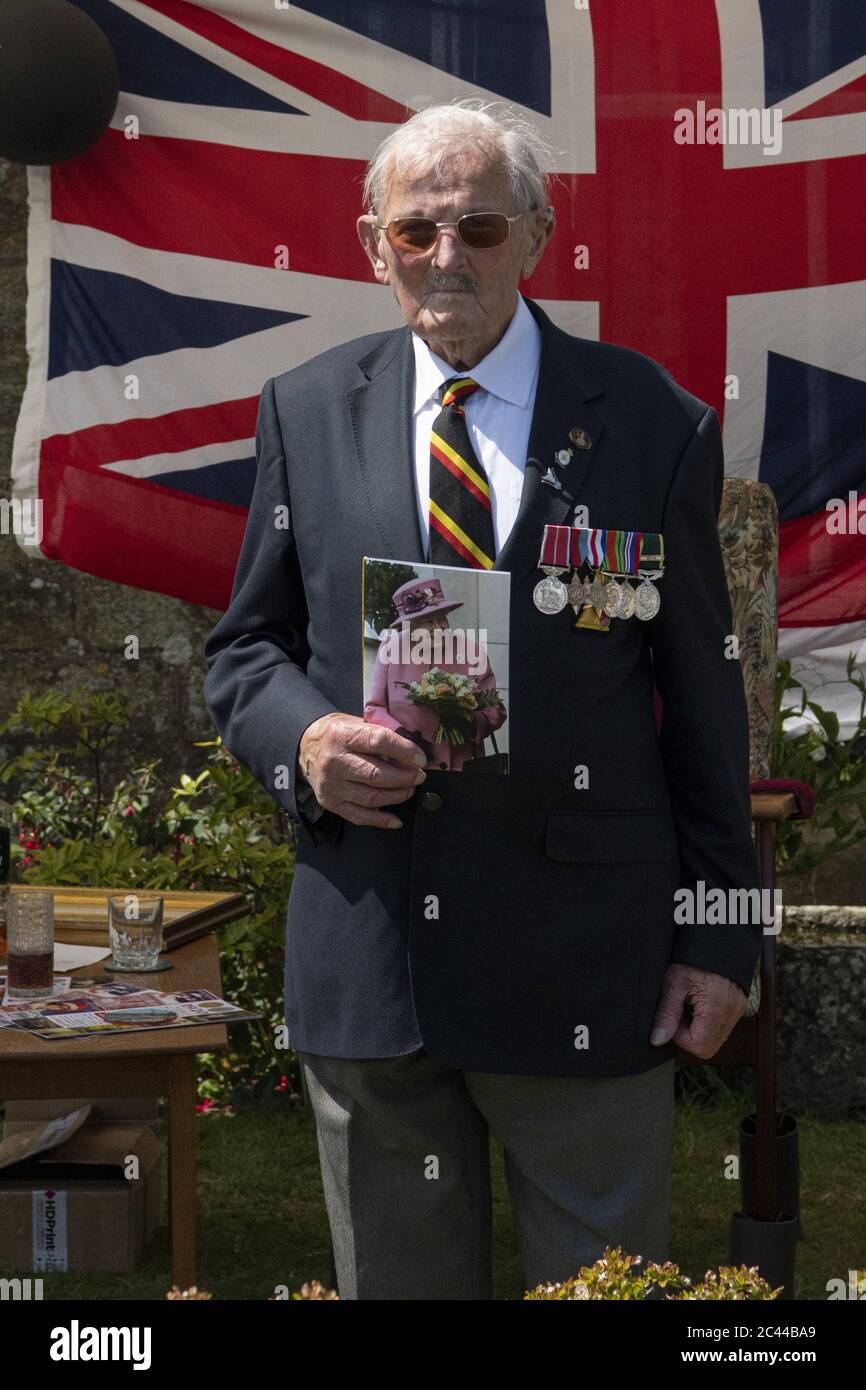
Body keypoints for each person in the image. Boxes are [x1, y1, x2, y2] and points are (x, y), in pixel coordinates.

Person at [203, 98, 762, 1300]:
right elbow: (244, 650)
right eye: (416, 230)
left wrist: (720, 935)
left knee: (603, 1294)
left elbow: (705, 705)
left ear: (539, 236)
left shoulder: (652, 424)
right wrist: (303, 737)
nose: (445, 256)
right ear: (371, 244)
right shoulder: (305, 411)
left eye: (479, 227)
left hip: (585, 964)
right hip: (374, 953)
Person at [363, 575, 507, 771]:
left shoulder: (471, 650)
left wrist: (470, 722)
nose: (439, 627)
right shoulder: (391, 649)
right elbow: (374, 709)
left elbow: (495, 711)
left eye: (442, 618)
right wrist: (400, 735)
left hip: (462, 769)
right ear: (410, 625)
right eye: (428, 622)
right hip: (405, 767)